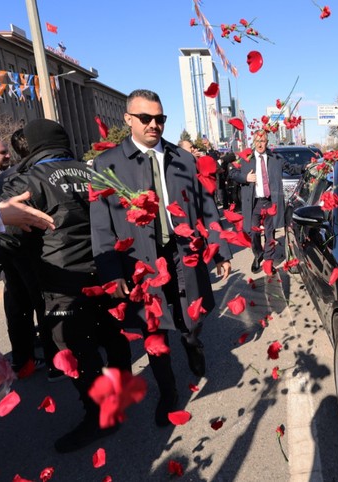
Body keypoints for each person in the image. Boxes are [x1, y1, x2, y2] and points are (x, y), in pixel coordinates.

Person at [91, 89, 232, 427]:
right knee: (154, 330)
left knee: (189, 317)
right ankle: (168, 391)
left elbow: (206, 207)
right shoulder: (107, 164)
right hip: (140, 264)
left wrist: (220, 250)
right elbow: (101, 226)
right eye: (146, 118)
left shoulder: (182, 159)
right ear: (128, 120)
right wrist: (111, 272)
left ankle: (192, 341)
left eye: (160, 119)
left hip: (183, 255)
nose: (154, 124)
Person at [0, 119, 132, 452]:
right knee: (112, 336)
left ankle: (101, 416)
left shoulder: (25, 181)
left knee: (75, 350)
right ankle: (119, 396)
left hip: (62, 282)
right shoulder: (96, 173)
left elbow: (12, 238)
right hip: (104, 270)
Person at [0, 129, 61, 381]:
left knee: (17, 305)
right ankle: (53, 362)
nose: (6, 156)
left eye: (6, 151)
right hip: (23, 250)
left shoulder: (7, 176)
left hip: (8, 252)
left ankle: (24, 359)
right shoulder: (21, 177)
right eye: (1, 153)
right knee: (39, 302)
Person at [230, 130, 298, 274]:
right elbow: (232, 173)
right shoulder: (246, 159)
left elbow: (291, 169)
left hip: (270, 201)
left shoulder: (276, 158)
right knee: (253, 232)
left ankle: (268, 261)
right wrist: (245, 178)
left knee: (269, 233)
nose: (260, 144)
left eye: (263, 141)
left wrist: (308, 168)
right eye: (257, 141)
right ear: (253, 142)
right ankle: (258, 255)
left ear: (267, 142)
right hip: (254, 202)